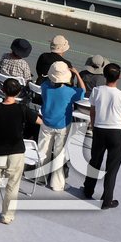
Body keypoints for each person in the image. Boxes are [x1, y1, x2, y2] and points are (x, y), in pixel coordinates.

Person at [0, 77, 39, 223]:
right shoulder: (22, 109)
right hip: (16, 151)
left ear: (3, 90)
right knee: (12, 187)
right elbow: (38, 121)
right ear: (18, 93)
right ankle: (7, 216)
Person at [81, 62, 121, 209]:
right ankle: (106, 200)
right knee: (112, 168)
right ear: (119, 77)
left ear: (104, 75)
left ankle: (88, 190)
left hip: (99, 130)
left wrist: (94, 127)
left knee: (95, 161)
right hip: (116, 134)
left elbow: (92, 112)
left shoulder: (96, 91)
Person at [37, 61, 85, 192]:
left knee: (43, 150)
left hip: (46, 122)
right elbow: (83, 91)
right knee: (59, 154)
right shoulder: (70, 91)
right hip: (62, 125)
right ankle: (57, 184)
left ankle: (40, 177)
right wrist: (77, 74)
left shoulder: (45, 86)